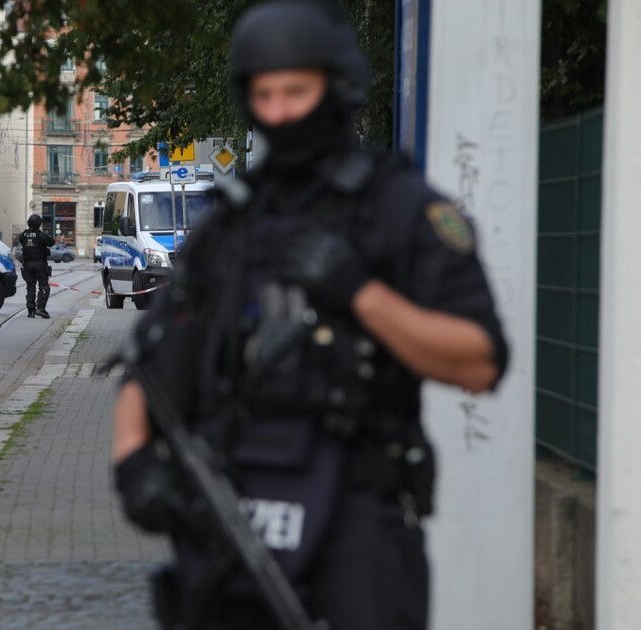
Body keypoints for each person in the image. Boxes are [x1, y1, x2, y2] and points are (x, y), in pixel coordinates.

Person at [110, 2, 510, 628]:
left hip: (358, 505)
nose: (279, 112)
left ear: (337, 85)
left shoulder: (399, 208)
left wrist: (358, 294)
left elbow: (480, 361)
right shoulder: (231, 221)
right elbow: (153, 356)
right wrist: (133, 460)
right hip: (233, 499)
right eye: (263, 94)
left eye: (296, 91)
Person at [17, 214, 54, 318]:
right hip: (40, 265)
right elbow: (51, 242)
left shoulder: (22, 235)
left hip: (27, 265)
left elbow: (21, 240)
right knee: (44, 286)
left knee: (30, 287)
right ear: (39, 224)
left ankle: (31, 310)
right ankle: (41, 309)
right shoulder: (41, 235)